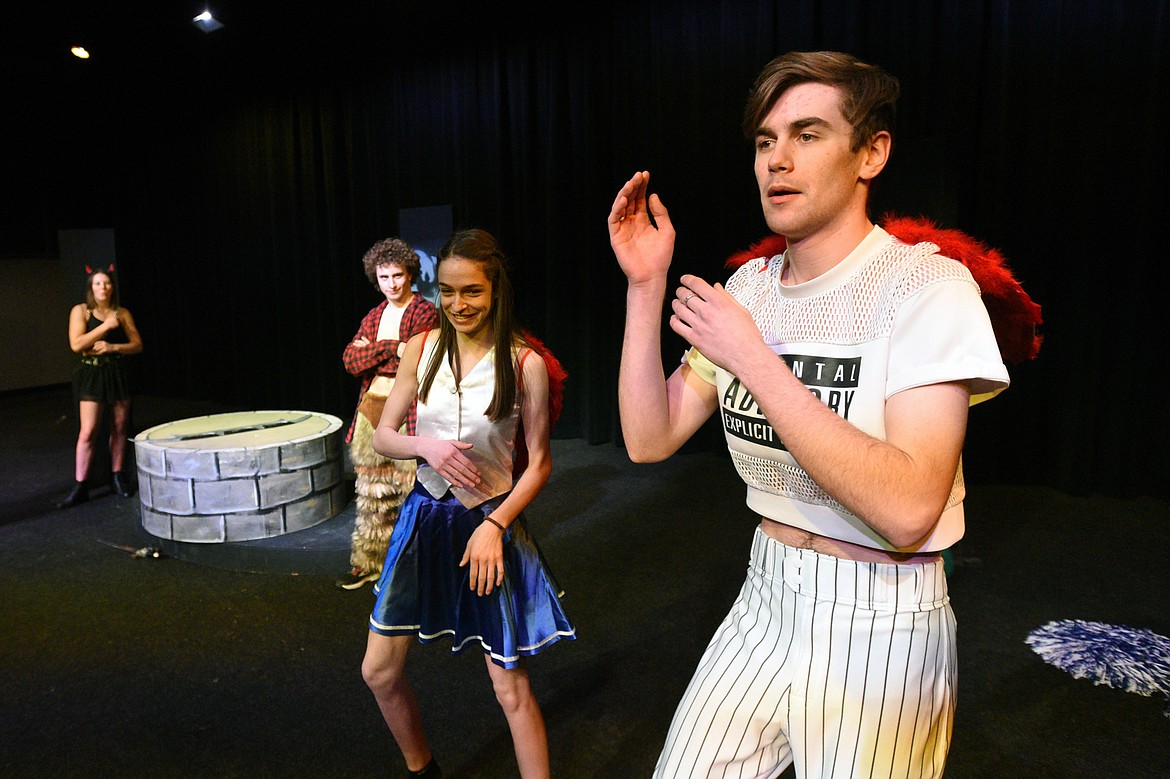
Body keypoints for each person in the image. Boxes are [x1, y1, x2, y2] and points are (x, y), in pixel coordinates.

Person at [609, 51, 1011, 778]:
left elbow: (910, 508)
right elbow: (648, 436)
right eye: (765, 141)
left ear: (872, 153)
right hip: (765, 596)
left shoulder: (928, 286)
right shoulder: (750, 289)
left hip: (883, 616)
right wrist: (646, 283)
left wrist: (755, 358)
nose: (777, 161)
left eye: (807, 134)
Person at [362, 228, 575, 778]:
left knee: (510, 688)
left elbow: (541, 464)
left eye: (472, 292)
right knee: (379, 672)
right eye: (449, 292)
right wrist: (423, 445)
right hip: (424, 516)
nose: (458, 305)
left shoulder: (524, 362)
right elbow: (384, 434)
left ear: (495, 291)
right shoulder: (421, 349)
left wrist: (496, 526)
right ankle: (421, 767)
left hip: (488, 523)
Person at [338, 238, 440, 590]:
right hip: (370, 411)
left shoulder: (424, 312)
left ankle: (419, 567)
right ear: (376, 279)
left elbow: (418, 361)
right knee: (372, 495)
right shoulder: (374, 316)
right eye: (384, 277)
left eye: (398, 275)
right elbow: (351, 361)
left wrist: (384, 352)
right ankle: (372, 563)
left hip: (409, 413)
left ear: (410, 274)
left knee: (414, 492)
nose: (392, 284)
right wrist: (391, 348)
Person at [59, 265, 144, 509]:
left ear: (112, 287)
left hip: (116, 373)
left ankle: (117, 476)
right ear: (91, 288)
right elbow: (77, 344)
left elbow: (137, 344)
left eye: (106, 283)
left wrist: (113, 347)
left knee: (119, 427)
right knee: (88, 431)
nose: (102, 287)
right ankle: (81, 485)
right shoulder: (82, 311)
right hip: (91, 375)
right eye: (97, 283)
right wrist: (105, 327)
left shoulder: (122, 313)